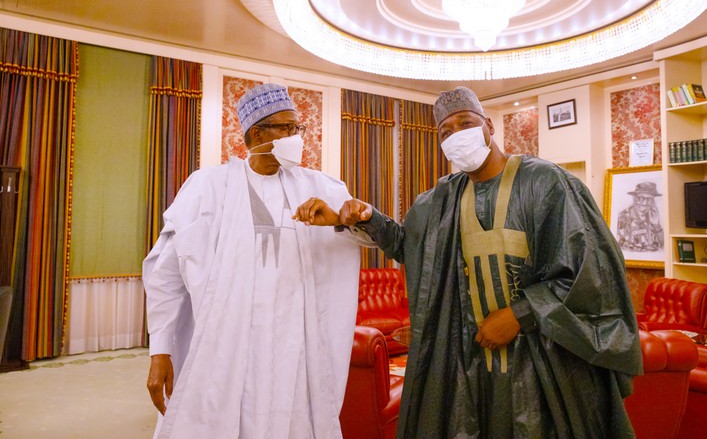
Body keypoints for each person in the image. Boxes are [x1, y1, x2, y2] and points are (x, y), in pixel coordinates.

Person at [296, 86, 643, 438]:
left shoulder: (546, 183)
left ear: (488, 125)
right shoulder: (441, 199)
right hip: (467, 362)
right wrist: (363, 217)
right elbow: (411, 247)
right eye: (445, 131)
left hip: (542, 364)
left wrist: (520, 315)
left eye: (465, 123)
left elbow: (589, 271)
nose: (457, 135)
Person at [142, 83, 371, 438]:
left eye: (298, 128)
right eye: (287, 128)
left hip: (293, 348)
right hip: (227, 345)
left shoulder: (320, 187)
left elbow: (370, 235)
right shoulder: (207, 187)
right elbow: (166, 274)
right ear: (257, 133)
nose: (297, 137)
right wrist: (161, 350)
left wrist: (348, 218)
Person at [616, 181, 664, 252]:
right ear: (634, 198)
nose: (645, 203)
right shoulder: (623, 217)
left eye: (649, 199)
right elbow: (619, 247)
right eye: (641, 198)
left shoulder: (653, 215)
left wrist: (657, 225)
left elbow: (664, 246)